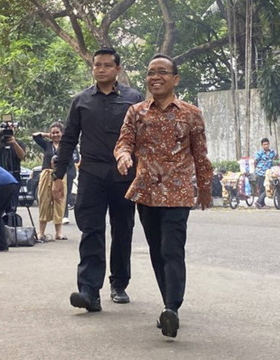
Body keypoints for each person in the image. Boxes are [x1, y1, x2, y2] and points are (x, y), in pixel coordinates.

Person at [115, 53, 213, 338]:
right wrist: (123, 157)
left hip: (178, 192)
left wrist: (204, 189)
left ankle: (172, 308)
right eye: (150, 72)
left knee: (172, 249)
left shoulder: (191, 114)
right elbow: (124, 143)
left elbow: (200, 154)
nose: (155, 77)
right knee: (158, 251)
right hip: (146, 191)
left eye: (162, 72)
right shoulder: (136, 112)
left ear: (175, 78)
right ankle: (168, 306)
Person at [52, 47, 144, 312]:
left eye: (106, 65)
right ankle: (89, 291)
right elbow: (69, 139)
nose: (101, 69)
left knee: (122, 229)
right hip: (91, 174)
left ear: (117, 69)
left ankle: (119, 283)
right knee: (91, 230)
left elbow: (142, 138)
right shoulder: (81, 101)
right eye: (97, 65)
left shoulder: (133, 98)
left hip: (124, 175)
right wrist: (58, 176)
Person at [32, 122, 73, 242]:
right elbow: (35, 136)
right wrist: (47, 135)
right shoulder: (47, 145)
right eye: (53, 132)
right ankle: (41, 232)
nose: (55, 135)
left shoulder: (66, 146)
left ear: (62, 133)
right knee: (44, 201)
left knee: (59, 202)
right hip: (46, 174)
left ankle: (58, 233)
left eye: (57, 132)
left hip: (60, 175)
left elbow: (70, 162)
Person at [0, 121, 26, 213]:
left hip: (14, 175)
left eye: (11, 127)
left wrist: (14, 143)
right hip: (0, 176)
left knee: (12, 204)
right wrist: (0, 135)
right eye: (6, 127)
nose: (9, 129)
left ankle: (11, 219)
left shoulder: (19, 143)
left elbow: (22, 156)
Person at [253, 138, 277, 209]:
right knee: (262, 189)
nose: (266, 146)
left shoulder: (272, 152)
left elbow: (275, 159)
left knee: (268, 187)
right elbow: (255, 161)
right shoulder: (259, 153)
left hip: (269, 173)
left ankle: (261, 203)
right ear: (262, 145)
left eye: (267, 144)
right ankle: (260, 203)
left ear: (269, 144)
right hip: (260, 173)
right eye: (264, 145)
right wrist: (256, 170)